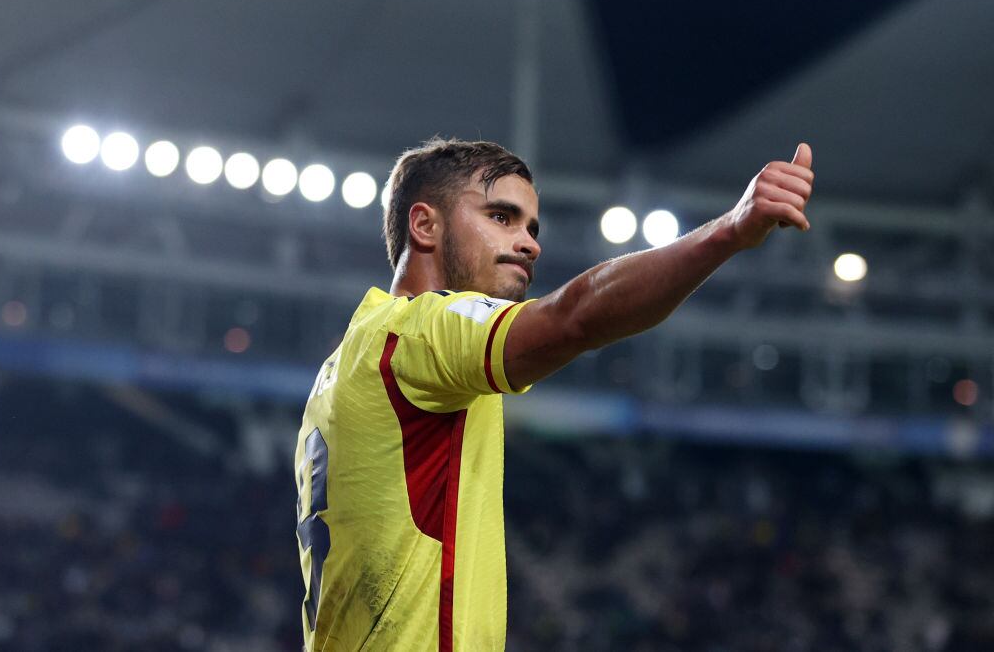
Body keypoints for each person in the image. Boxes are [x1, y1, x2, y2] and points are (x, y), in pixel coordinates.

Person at [294, 137, 814, 650]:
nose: (530, 243)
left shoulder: (346, 362)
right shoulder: (422, 332)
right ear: (425, 225)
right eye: (501, 217)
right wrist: (729, 230)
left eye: (531, 227)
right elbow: (576, 316)